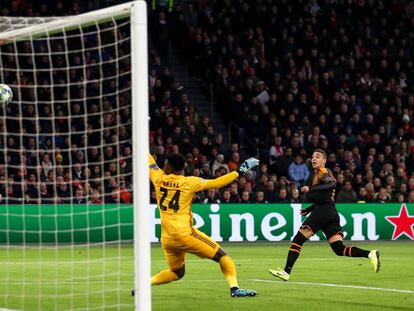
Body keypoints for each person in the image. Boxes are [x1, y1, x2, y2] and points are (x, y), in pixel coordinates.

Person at [132, 153, 259, 298]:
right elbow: (217, 183)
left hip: (167, 238)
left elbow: (149, 161)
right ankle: (235, 288)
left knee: (177, 272)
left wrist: (138, 142)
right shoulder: (189, 182)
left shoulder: (158, 177)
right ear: (182, 168)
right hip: (185, 235)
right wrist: (240, 170)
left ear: (169, 166)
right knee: (223, 257)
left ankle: (143, 285)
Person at [269, 149, 380, 281]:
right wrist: (310, 209)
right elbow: (324, 197)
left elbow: (332, 183)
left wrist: (310, 188)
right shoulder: (316, 174)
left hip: (323, 212)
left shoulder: (324, 172)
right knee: (339, 249)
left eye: (318, 156)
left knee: (298, 240)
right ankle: (370, 254)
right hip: (330, 212)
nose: (314, 159)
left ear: (324, 161)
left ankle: (286, 272)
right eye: (313, 156)